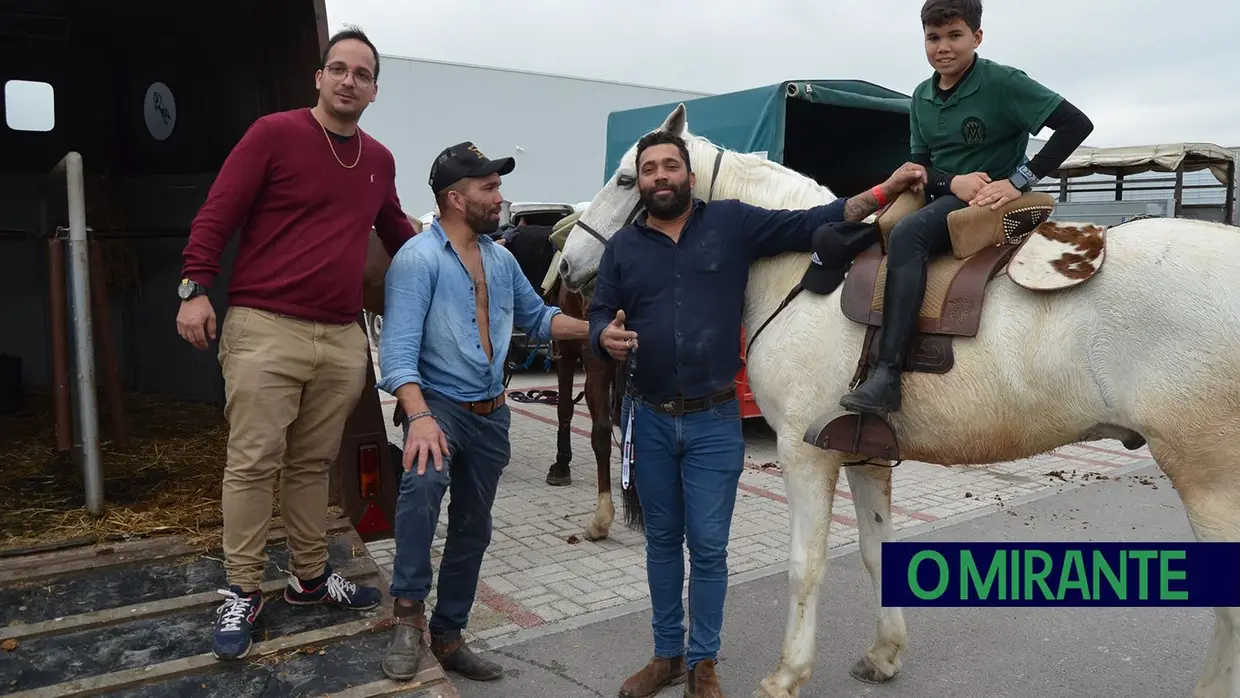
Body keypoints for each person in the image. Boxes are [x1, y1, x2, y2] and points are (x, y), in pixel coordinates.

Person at [589, 130, 926, 698]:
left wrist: (883, 190)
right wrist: (604, 335)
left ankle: (703, 663)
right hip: (647, 418)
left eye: (671, 167)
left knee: (713, 548)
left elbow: (818, 216)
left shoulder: (732, 223)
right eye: (650, 170)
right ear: (641, 181)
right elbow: (600, 311)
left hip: (714, 421)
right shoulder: (623, 247)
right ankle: (666, 655)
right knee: (663, 543)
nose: (661, 177)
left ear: (690, 177)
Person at [176, 26, 417, 661]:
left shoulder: (378, 160)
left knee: (313, 465)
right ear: (319, 77)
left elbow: (397, 229)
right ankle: (243, 589)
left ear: (374, 90)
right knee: (253, 461)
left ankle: (310, 579)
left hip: (340, 336)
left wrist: (458, 247)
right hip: (265, 326)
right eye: (337, 68)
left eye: (361, 73)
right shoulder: (275, 135)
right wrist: (194, 286)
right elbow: (218, 211)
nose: (347, 80)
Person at [376, 142, 591, 683]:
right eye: (488, 188)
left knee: (474, 528)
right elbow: (397, 354)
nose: (500, 197)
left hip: (492, 413)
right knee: (421, 491)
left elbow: (539, 318)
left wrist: (596, 330)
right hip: (439, 408)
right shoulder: (417, 260)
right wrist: (420, 418)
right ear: (455, 197)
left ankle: (449, 635)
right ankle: (407, 620)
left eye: (498, 186)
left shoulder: (500, 258)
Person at [838, 0, 1094, 416]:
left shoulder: (1004, 82)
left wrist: (1019, 180)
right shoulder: (921, 95)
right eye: (933, 37)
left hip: (987, 198)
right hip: (943, 191)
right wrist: (948, 180)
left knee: (908, 235)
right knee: (862, 231)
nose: (943, 47)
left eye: (955, 35)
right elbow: (921, 164)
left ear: (976, 37)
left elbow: (1076, 124)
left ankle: (887, 375)